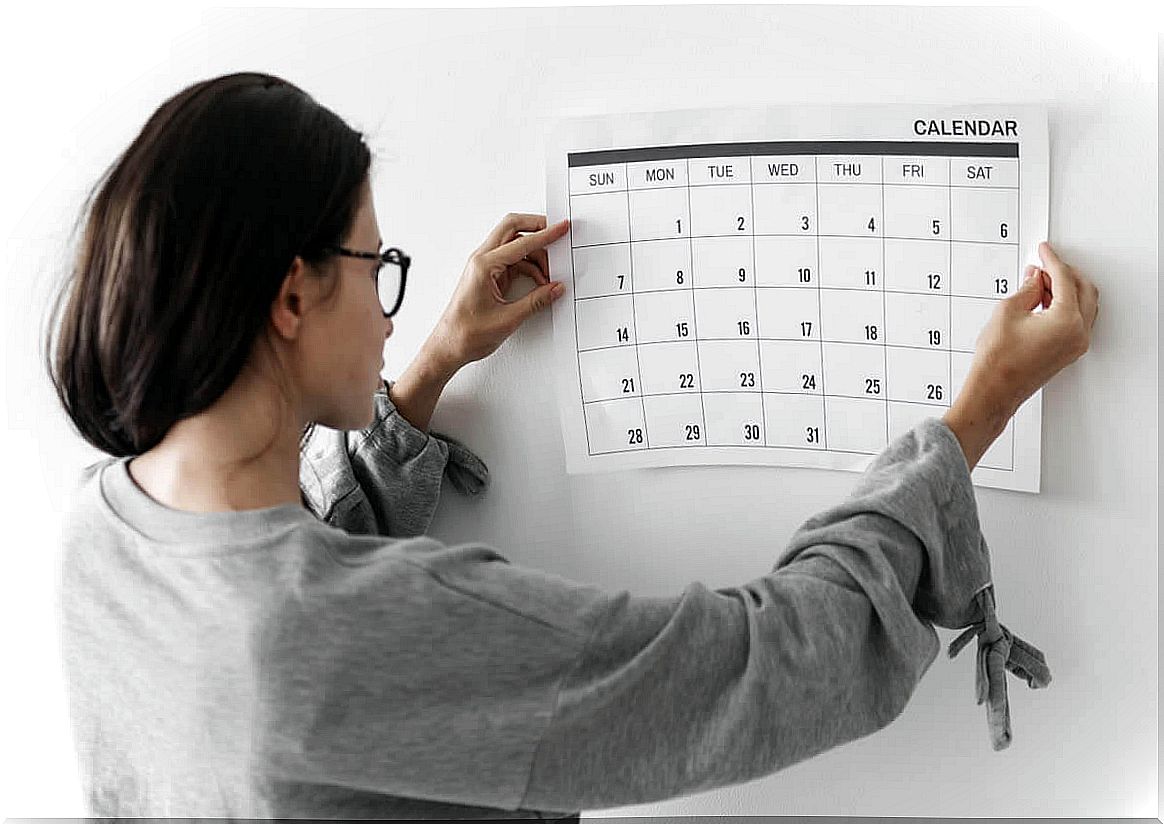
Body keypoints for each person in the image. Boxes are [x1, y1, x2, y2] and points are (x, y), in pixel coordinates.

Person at [44, 72, 1098, 819]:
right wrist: (976, 413)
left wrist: (416, 378)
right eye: (377, 263)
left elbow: (286, 596)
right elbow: (765, 669)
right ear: (289, 293)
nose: (388, 305)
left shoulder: (103, 530)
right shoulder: (339, 633)